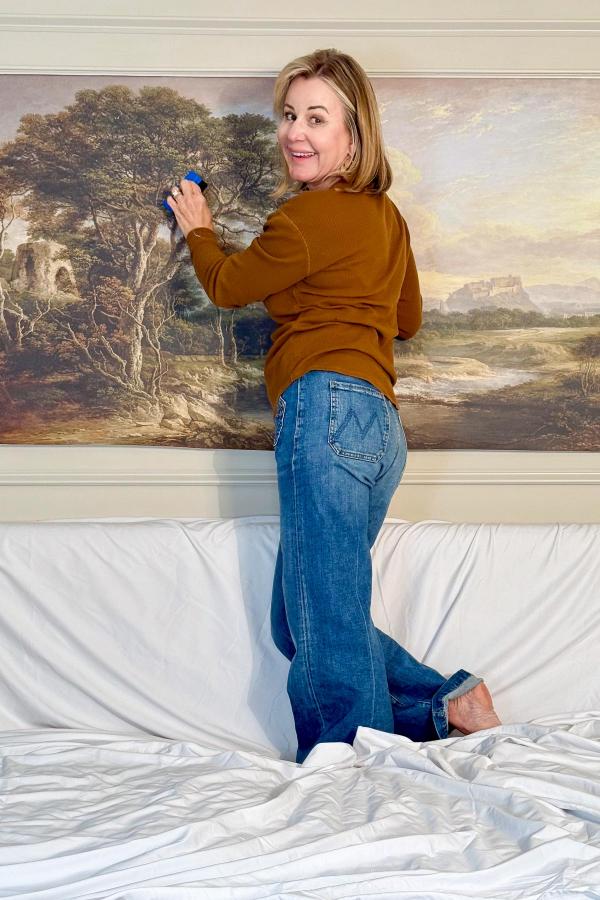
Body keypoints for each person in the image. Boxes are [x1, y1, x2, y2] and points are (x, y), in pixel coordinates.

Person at [166, 48, 501, 765]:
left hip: (324, 410)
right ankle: (449, 702)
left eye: (317, 118)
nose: (296, 132)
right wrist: (326, 296)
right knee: (303, 618)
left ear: (354, 137)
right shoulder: (387, 218)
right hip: (379, 428)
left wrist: (198, 227)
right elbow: (404, 318)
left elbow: (226, 284)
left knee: (322, 615)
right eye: (289, 115)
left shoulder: (306, 217)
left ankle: (347, 774)